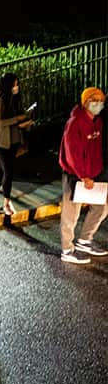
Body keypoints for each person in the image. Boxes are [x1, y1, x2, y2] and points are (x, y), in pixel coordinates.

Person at [58, 87, 107, 264]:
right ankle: (67, 250)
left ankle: (85, 240)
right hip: (75, 176)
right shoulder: (75, 123)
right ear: (85, 101)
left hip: (93, 175)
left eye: (101, 100)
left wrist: (96, 172)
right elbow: (72, 153)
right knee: (71, 214)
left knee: (102, 208)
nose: (99, 103)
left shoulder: (98, 122)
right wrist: (83, 175)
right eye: (95, 99)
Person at [0, 72, 34, 216]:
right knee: (8, 171)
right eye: (14, 84)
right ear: (7, 85)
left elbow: (18, 118)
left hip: (14, 139)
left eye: (17, 84)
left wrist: (25, 121)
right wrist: (17, 119)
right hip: (0, 141)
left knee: (3, 170)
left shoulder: (15, 98)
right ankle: (7, 202)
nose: (16, 87)